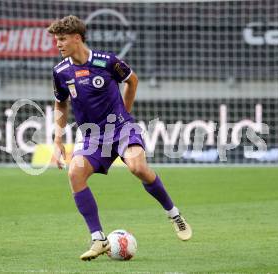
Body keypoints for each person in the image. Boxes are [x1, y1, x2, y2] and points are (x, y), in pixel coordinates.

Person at [47, 15, 192, 261]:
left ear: (77, 38)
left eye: (62, 39)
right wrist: (57, 141)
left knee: (138, 167)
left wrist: (125, 111)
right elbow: (60, 104)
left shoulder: (107, 62)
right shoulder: (61, 71)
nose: (58, 44)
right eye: (56, 40)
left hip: (122, 129)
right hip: (93, 137)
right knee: (75, 174)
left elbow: (132, 81)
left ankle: (174, 214)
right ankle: (98, 239)